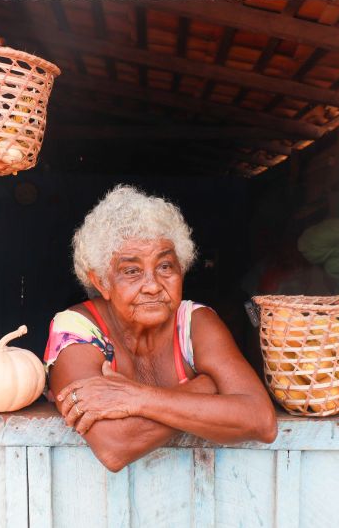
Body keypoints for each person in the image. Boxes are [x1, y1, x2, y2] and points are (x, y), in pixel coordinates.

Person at [45, 185, 277, 472]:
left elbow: (261, 421)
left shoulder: (196, 322)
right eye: (131, 271)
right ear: (102, 282)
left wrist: (135, 398)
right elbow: (115, 446)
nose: (153, 285)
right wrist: (206, 388)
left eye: (165, 266)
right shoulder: (76, 329)